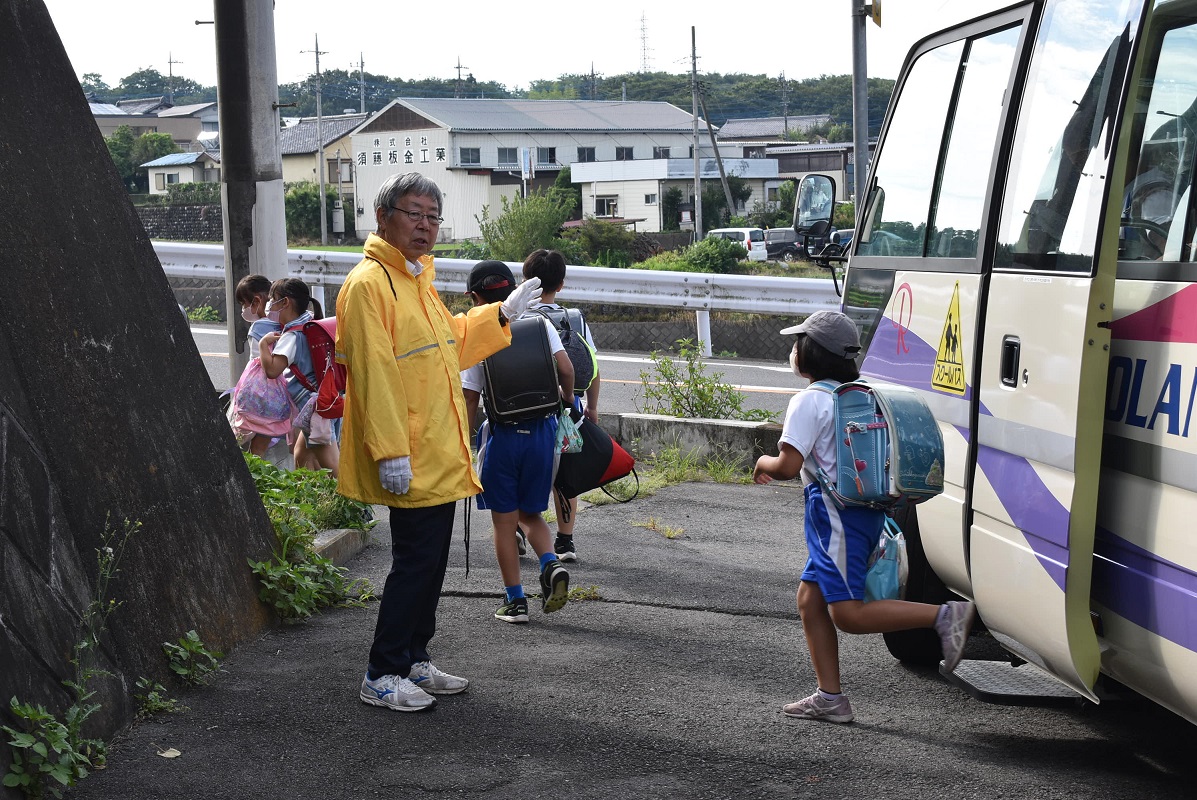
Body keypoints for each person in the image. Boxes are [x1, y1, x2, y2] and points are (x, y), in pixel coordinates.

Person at [335, 173, 543, 712]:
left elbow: (450, 340)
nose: (425, 226)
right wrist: (389, 450)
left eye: (432, 215)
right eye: (413, 213)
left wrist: (500, 314)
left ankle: (413, 657)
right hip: (408, 450)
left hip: (435, 447)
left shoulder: (413, 278)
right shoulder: (369, 284)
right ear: (384, 218)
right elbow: (375, 373)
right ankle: (382, 671)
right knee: (414, 561)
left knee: (429, 563)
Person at [752, 310, 975, 724]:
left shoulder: (809, 401)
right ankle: (829, 697)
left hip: (835, 517)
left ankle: (945, 616)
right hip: (864, 513)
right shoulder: (865, 394)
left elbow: (786, 466)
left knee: (848, 614)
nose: (793, 350)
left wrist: (761, 462)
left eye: (797, 343)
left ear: (809, 353)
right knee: (810, 600)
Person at [460, 260, 574, 624]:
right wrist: (567, 400)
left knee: (504, 524)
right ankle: (551, 563)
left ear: (474, 297)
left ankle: (516, 601)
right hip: (543, 434)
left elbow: (469, 399)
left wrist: (463, 443)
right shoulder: (539, 323)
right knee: (532, 515)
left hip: (504, 437)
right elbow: (568, 369)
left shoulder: (477, 338)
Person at [521, 248, 600, 563]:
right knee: (565, 473)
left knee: (525, 472)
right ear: (562, 283)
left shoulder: (517, 316)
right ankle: (565, 541)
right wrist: (591, 409)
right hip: (569, 409)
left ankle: (517, 529)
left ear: (526, 281)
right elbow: (591, 367)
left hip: (526, 408)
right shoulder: (575, 318)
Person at [258, 278, 339, 478]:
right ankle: (311, 501)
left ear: (285, 302)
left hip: (314, 410)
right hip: (327, 401)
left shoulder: (291, 336)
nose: (270, 306)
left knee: (334, 466)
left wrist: (262, 345)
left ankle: (357, 506)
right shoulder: (310, 323)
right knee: (301, 454)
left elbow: (272, 370)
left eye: (272, 300)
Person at [229, 274, 285, 456]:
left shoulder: (259, 327)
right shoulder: (283, 323)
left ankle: (249, 480)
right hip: (278, 395)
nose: (244, 309)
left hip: (256, 395)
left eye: (244, 304)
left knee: (237, 440)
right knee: (260, 446)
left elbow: (254, 362)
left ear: (257, 301)